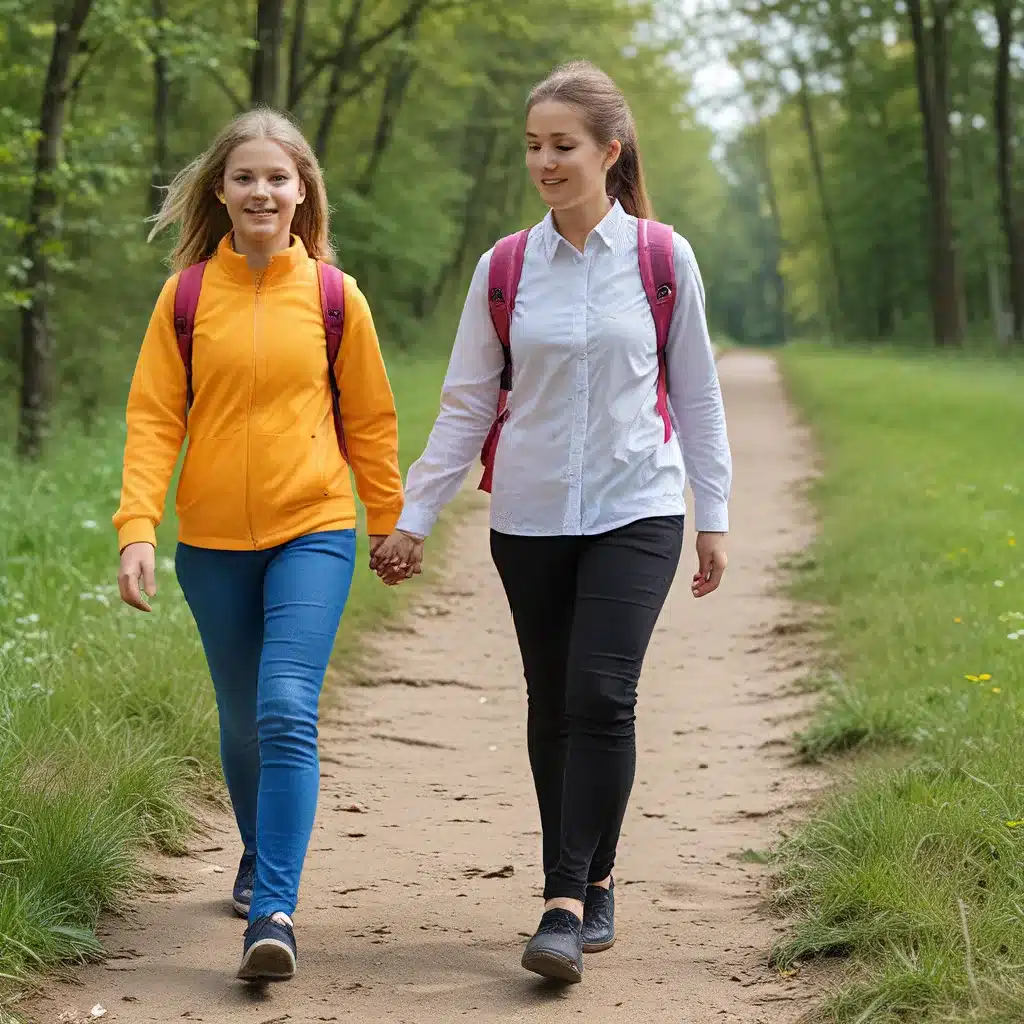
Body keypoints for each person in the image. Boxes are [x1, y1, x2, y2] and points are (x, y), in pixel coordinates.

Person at [371, 60, 732, 984]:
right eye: (533, 146)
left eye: (562, 146)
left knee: (602, 695)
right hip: (529, 514)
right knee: (552, 705)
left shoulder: (661, 257)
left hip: (636, 506)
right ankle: (593, 874)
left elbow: (696, 394)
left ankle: (564, 902)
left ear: (610, 152)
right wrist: (415, 515)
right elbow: (464, 403)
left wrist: (712, 514)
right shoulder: (505, 266)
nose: (545, 162)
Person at [112, 109, 404, 984]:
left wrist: (386, 519)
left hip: (312, 529)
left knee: (284, 707)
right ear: (221, 192)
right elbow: (154, 419)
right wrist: (137, 529)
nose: (262, 191)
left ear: (303, 191)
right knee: (241, 723)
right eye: (245, 177)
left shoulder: (333, 296)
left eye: (278, 177)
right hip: (209, 544)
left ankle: (274, 907)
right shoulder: (188, 297)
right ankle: (257, 848)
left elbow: (371, 418)